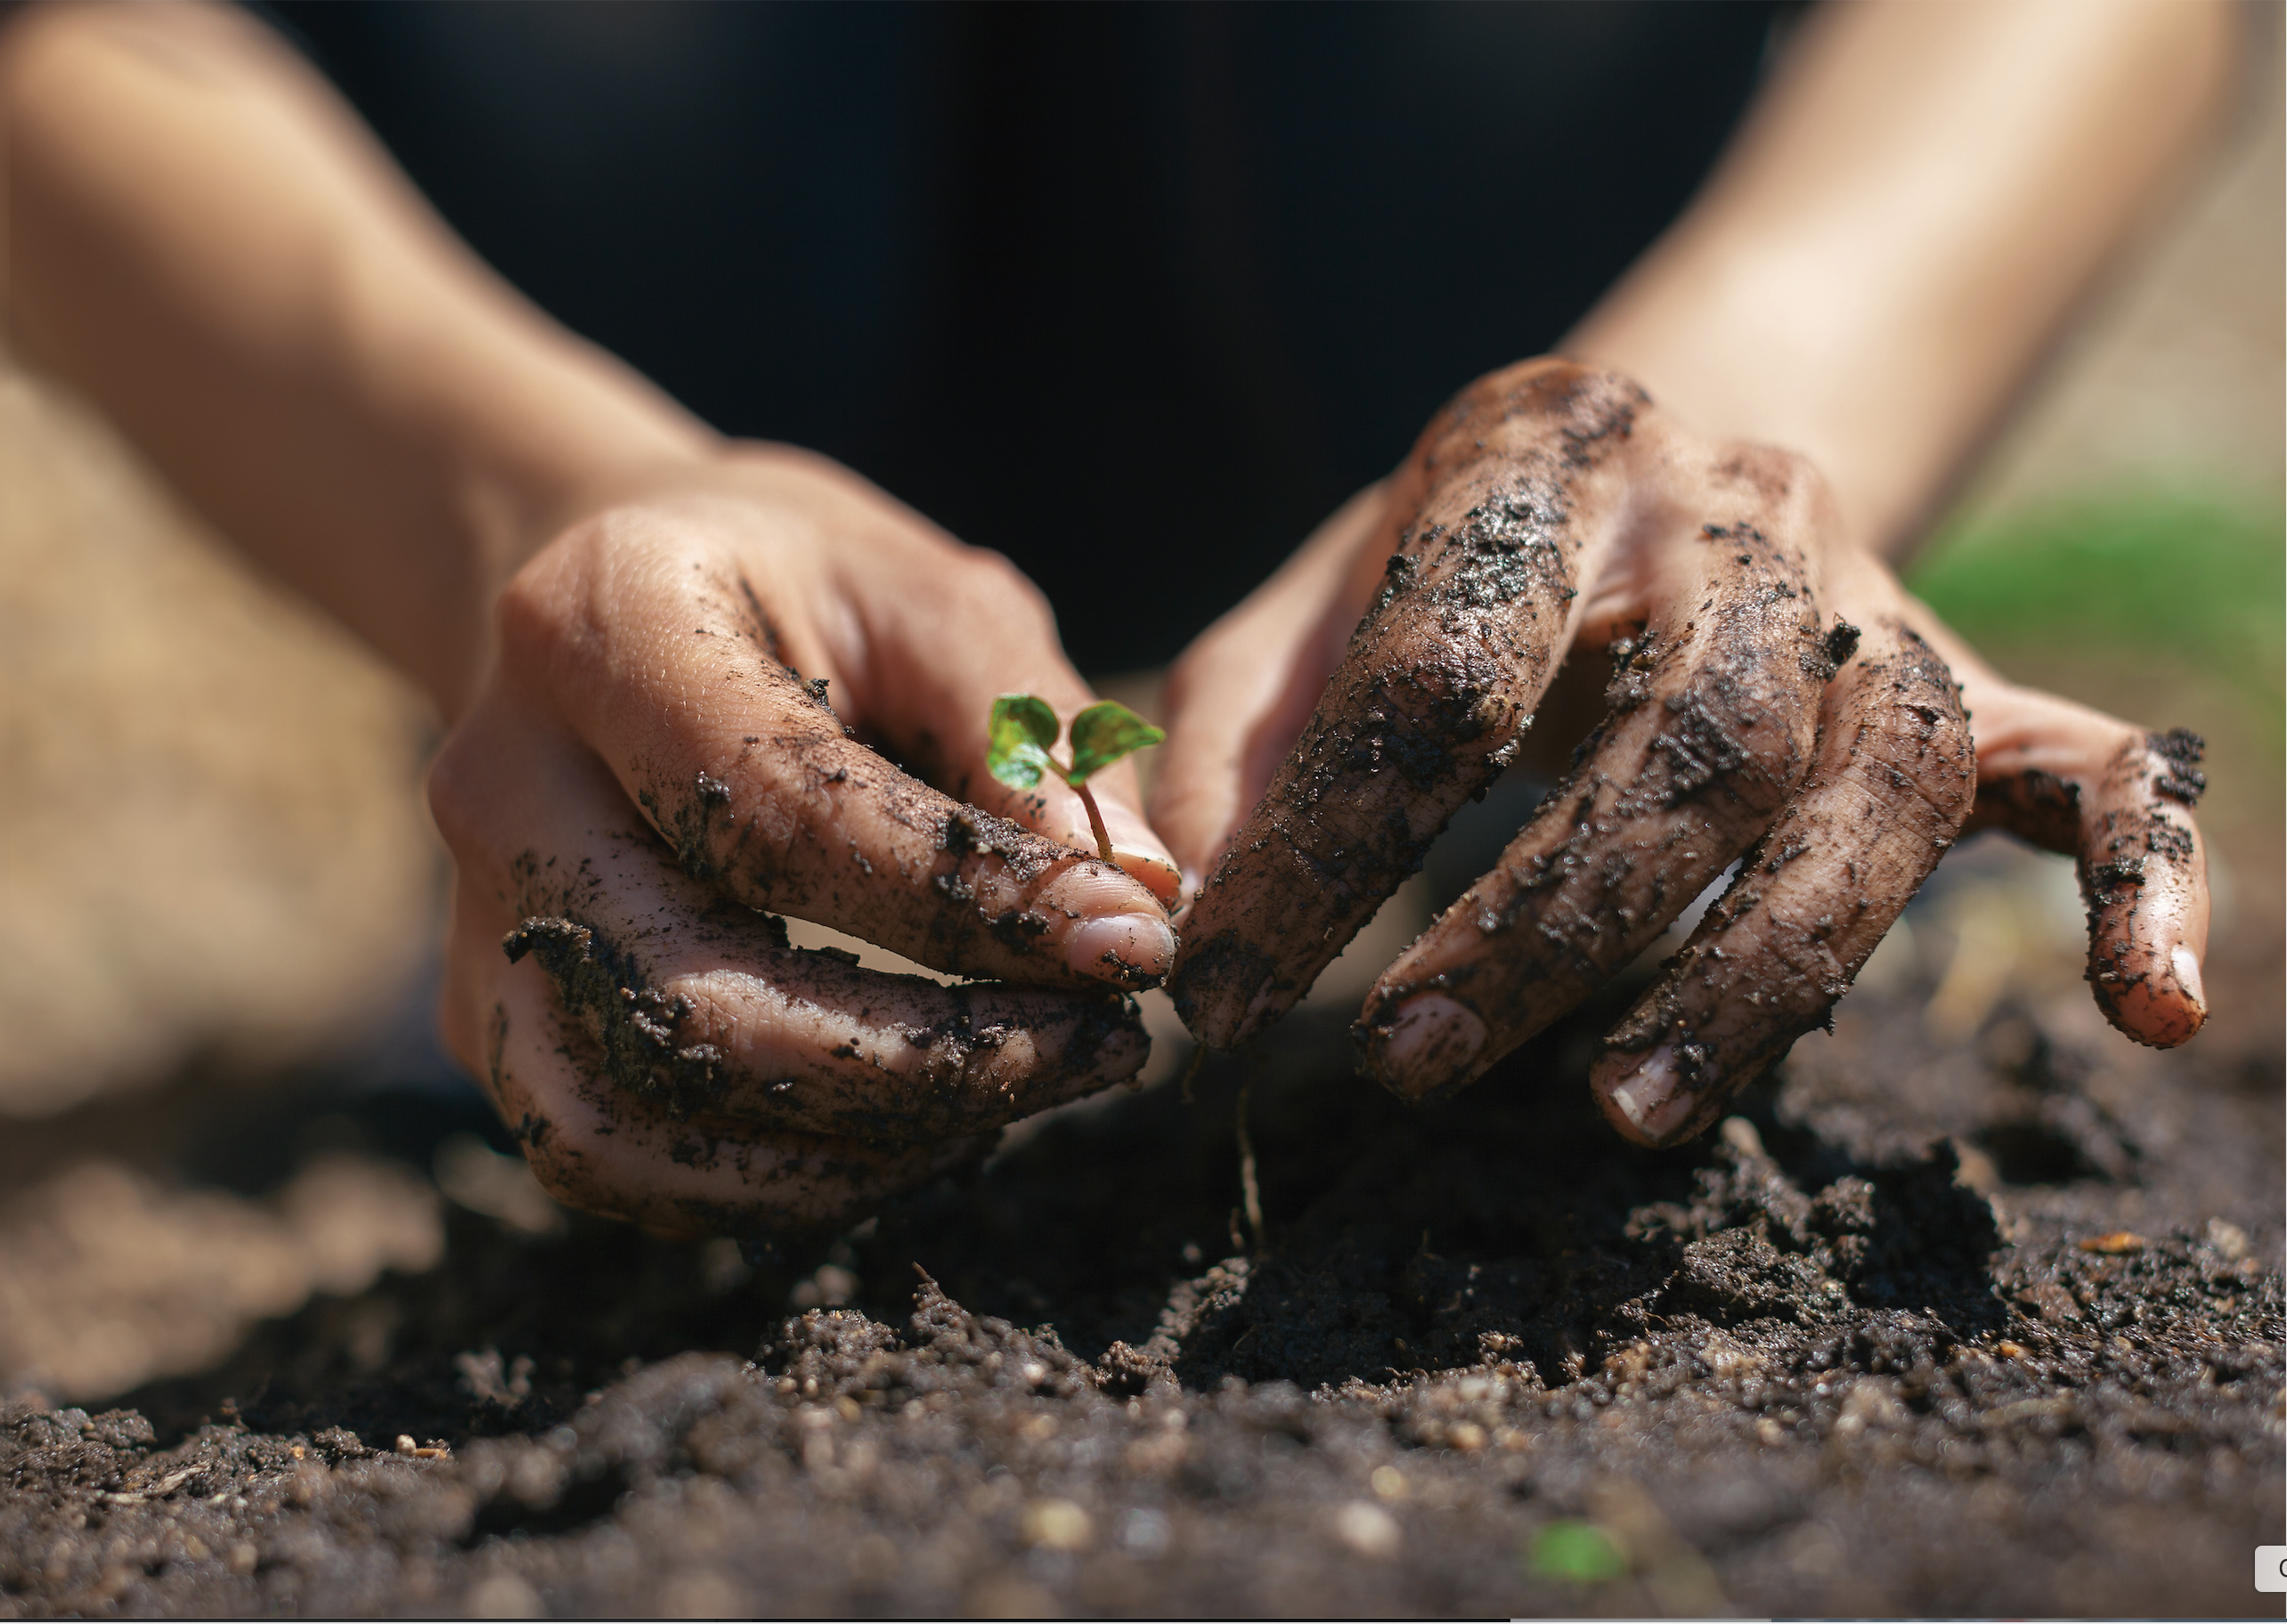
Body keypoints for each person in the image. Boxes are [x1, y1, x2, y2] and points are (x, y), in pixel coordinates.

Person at [0, 0, 2228, 1236]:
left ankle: (1560, 761)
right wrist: (520, 504)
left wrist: (1739, 404)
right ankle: (661, 799)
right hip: (638, 242)